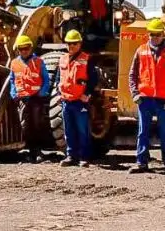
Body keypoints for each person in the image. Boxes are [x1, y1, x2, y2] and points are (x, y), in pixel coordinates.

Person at [128, 18, 165, 174]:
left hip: (164, 101)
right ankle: (141, 162)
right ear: (148, 35)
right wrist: (135, 94)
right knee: (142, 132)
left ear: (163, 34)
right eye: (152, 34)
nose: (155, 37)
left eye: (158, 34)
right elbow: (132, 75)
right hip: (145, 99)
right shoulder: (141, 51)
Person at [56, 29, 100, 167]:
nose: (71, 46)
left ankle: (84, 157)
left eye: (74, 43)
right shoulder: (62, 59)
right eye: (69, 44)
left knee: (82, 131)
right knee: (69, 131)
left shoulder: (87, 59)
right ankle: (71, 156)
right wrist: (59, 94)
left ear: (80, 44)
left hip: (80, 102)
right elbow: (59, 78)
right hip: (66, 101)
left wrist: (86, 94)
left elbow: (93, 79)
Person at [9, 34, 51, 162]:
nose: (24, 51)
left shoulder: (38, 62)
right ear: (18, 50)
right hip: (23, 100)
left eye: (26, 48)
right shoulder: (14, 63)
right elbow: (12, 80)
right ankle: (30, 151)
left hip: (36, 99)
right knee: (25, 126)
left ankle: (37, 151)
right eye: (21, 49)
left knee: (37, 125)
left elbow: (46, 80)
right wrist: (13, 93)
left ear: (30, 48)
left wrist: (42, 92)